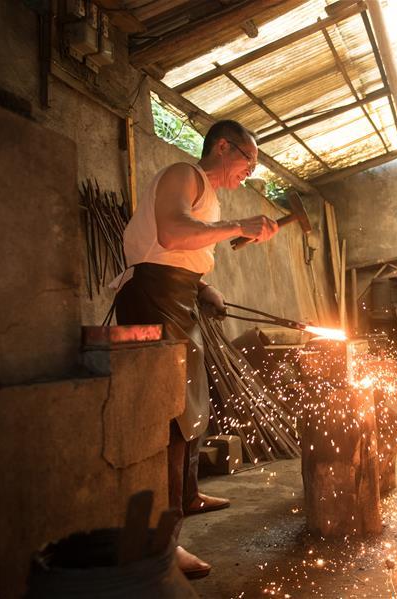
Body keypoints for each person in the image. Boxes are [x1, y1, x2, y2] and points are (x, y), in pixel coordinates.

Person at [113, 120, 279, 578]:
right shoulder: (184, 174)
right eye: (248, 159)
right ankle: (164, 543)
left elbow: (181, 251)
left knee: (190, 406)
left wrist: (204, 286)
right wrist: (237, 226)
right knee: (170, 414)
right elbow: (170, 234)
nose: (250, 170)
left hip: (179, 294)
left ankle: (186, 495)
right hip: (154, 296)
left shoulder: (208, 193)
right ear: (223, 146)